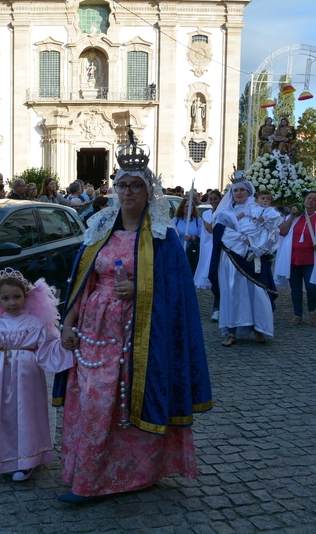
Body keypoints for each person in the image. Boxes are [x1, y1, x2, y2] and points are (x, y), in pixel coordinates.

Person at [54, 134, 212, 503]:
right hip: (94, 331)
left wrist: (141, 290)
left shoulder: (162, 236)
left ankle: (127, 476)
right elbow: (82, 280)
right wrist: (68, 322)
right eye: (122, 185)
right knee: (92, 403)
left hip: (140, 337)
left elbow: (177, 295)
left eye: (136, 186)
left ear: (148, 191)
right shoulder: (98, 229)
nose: (127, 193)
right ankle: (88, 472)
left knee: (125, 404)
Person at [0, 268, 74, 481]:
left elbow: (48, 346)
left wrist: (65, 345)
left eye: (17, 297)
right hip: (0, 378)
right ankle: (4, 458)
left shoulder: (35, 323)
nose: (12, 302)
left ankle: (27, 460)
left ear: (25, 296)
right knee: (3, 416)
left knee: (27, 415)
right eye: (6, 298)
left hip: (28, 378)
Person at [208, 175, 277, 346]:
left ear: (248, 192)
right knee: (232, 293)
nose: (239, 193)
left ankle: (259, 330)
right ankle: (232, 332)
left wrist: (255, 243)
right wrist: (242, 240)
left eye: (242, 190)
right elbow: (221, 233)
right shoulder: (224, 212)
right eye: (235, 190)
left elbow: (270, 230)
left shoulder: (258, 209)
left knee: (257, 293)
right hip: (231, 258)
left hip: (254, 257)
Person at [274, 191, 316, 325]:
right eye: (309, 198)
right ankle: (298, 314)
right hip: (293, 259)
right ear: (304, 200)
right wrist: (291, 216)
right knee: (295, 288)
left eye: (314, 200)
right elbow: (283, 232)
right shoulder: (294, 217)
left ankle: (312, 310)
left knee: (312, 287)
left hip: (311, 260)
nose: (311, 201)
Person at [194, 190, 221, 320]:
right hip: (211, 248)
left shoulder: (225, 212)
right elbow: (210, 228)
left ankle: (220, 308)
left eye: (216, 199)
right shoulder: (207, 214)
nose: (214, 201)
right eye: (212, 199)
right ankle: (216, 309)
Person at [237, 190, 281, 262]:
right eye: (263, 198)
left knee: (266, 238)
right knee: (251, 236)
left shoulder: (270, 210)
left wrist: (265, 219)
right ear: (257, 200)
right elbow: (246, 212)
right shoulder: (253, 207)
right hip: (253, 225)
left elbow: (275, 217)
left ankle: (265, 252)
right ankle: (252, 250)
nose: (265, 200)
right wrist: (238, 217)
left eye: (268, 199)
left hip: (264, 228)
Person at [172, 197, 203, 274]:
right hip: (178, 254)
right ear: (182, 208)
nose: (190, 208)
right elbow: (169, 235)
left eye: (191, 206)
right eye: (187, 206)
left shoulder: (198, 221)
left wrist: (192, 238)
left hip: (192, 255)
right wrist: (175, 233)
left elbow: (202, 237)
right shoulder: (176, 220)